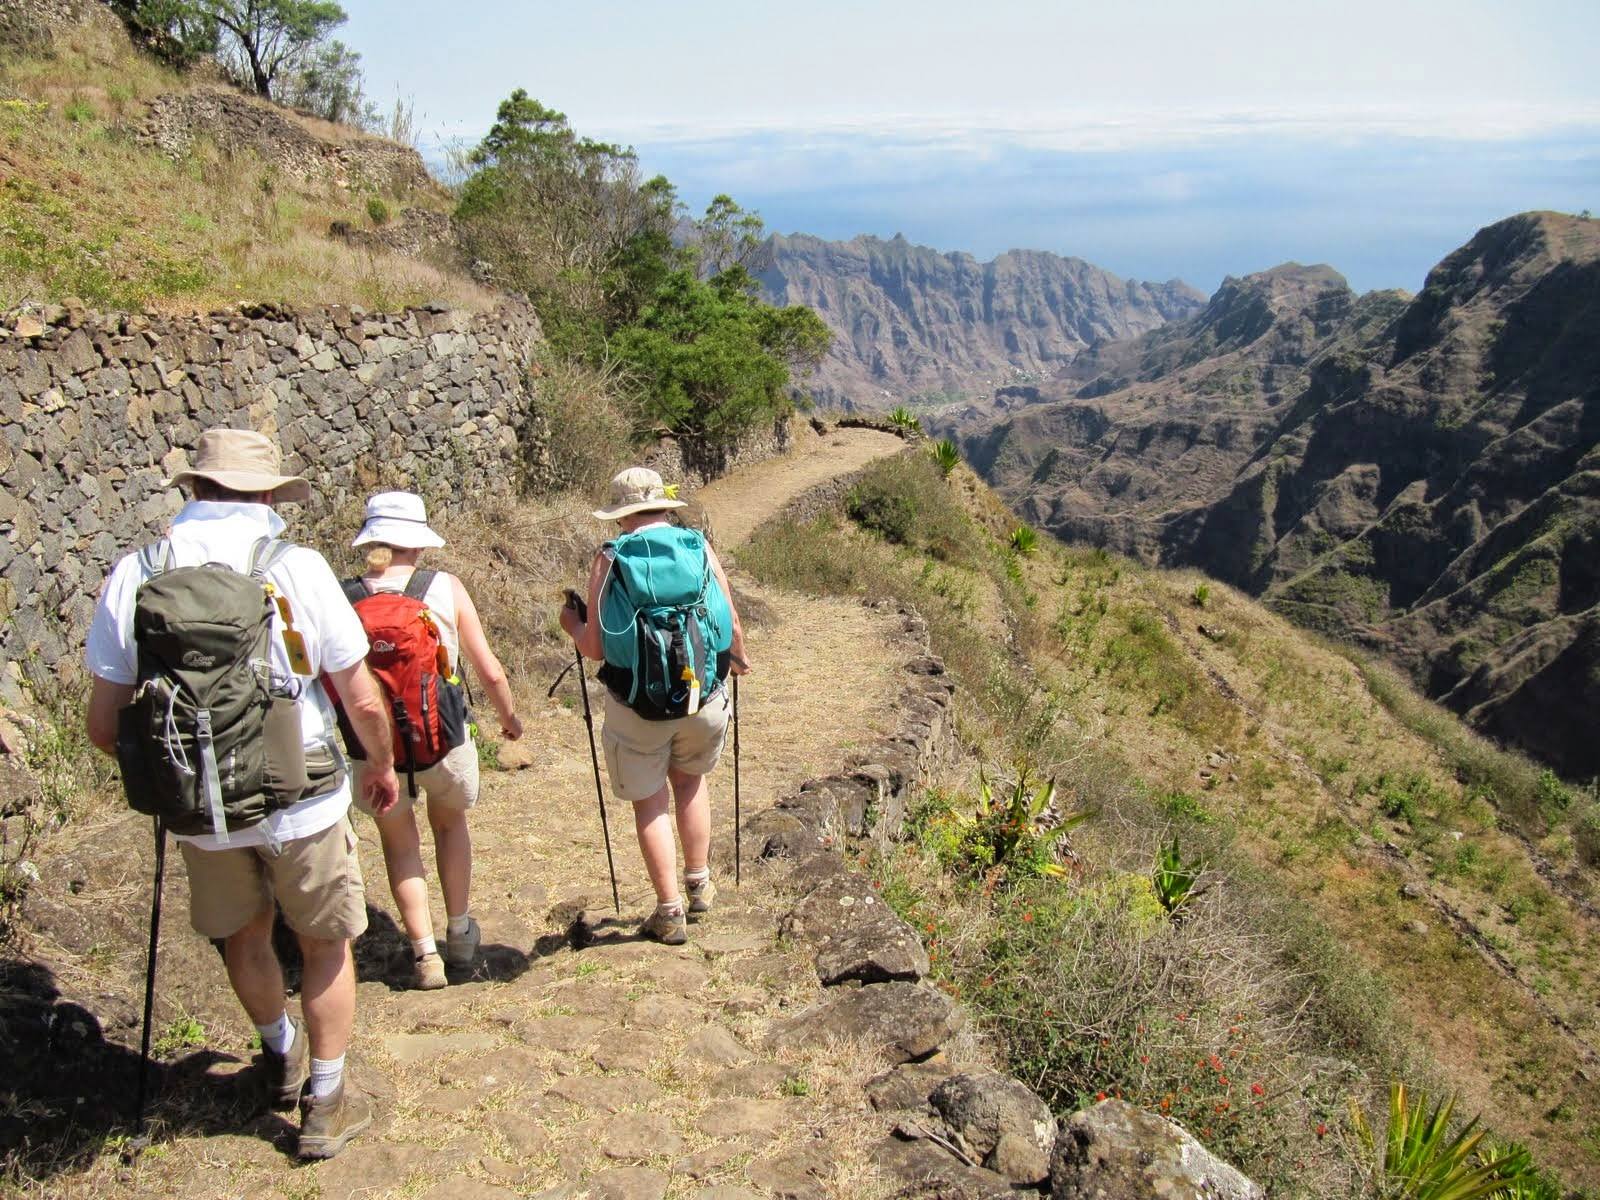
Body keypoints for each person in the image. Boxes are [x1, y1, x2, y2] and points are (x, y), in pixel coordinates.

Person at [85, 428, 399, 1161]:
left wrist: (178, 776)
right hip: (305, 799)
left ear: (193, 489)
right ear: (267, 494)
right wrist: (378, 765)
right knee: (324, 944)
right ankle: (324, 1103)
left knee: (245, 935)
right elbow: (360, 695)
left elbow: (106, 725)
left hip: (201, 809)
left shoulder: (138, 571)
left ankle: (276, 1052)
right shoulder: (298, 567)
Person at [559, 467, 749, 945]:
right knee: (690, 784)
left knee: (650, 802)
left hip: (636, 704)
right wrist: (738, 659)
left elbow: (596, 647)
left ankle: (669, 911)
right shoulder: (696, 546)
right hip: (701, 695)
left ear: (622, 513)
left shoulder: (610, 558)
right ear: (665, 505)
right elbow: (729, 615)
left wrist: (571, 625)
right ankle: (700, 883)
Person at [345, 491, 523, 990]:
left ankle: (425, 955)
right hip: (442, 739)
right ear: (418, 543)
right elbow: (489, 669)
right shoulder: (442, 587)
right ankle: (460, 934)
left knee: (399, 843)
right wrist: (510, 719)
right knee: (450, 826)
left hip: (373, 751)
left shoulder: (342, 597)